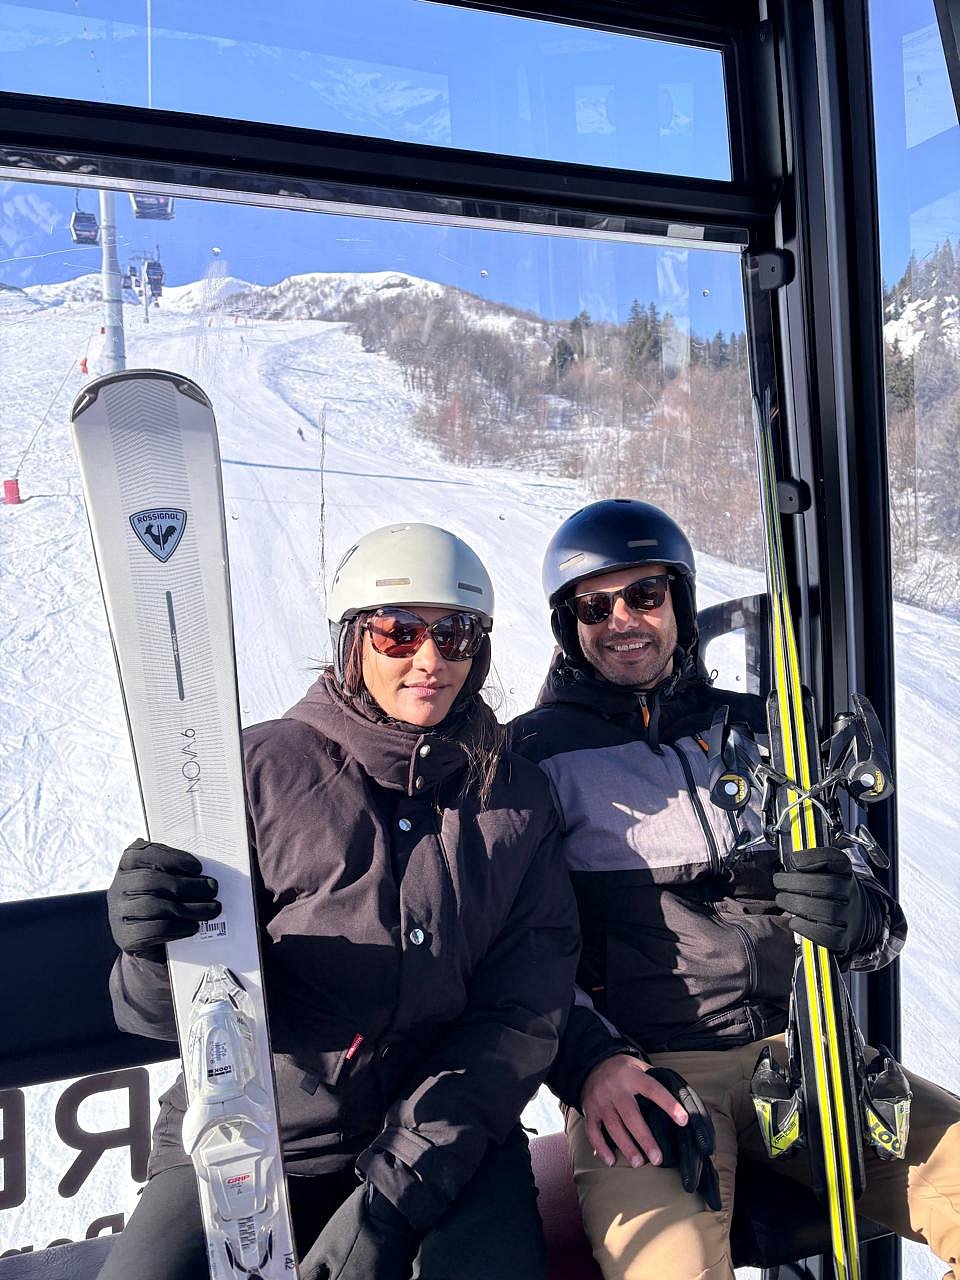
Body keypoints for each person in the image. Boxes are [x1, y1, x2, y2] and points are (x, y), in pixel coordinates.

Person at [98, 522, 580, 1280]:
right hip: (256, 1133)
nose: (430, 659)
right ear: (353, 640)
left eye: (455, 635)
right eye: (399, 633)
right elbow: (165, 1016)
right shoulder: (257, 774)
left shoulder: (513, 799)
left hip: (450, 1136)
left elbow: (523, 1012)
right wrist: (153, 949)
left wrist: (397, 1195)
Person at [509, 498, 960, 1280]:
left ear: (679, 604)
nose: (624, 620)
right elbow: (520, 951)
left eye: (645, 595)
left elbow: (876, 912)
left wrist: (852, 916)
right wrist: (592, 1066)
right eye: (595, 605)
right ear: (569, 625)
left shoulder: (764, 733)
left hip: (806, 1051)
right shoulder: (535, 761)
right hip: (650, 1072)